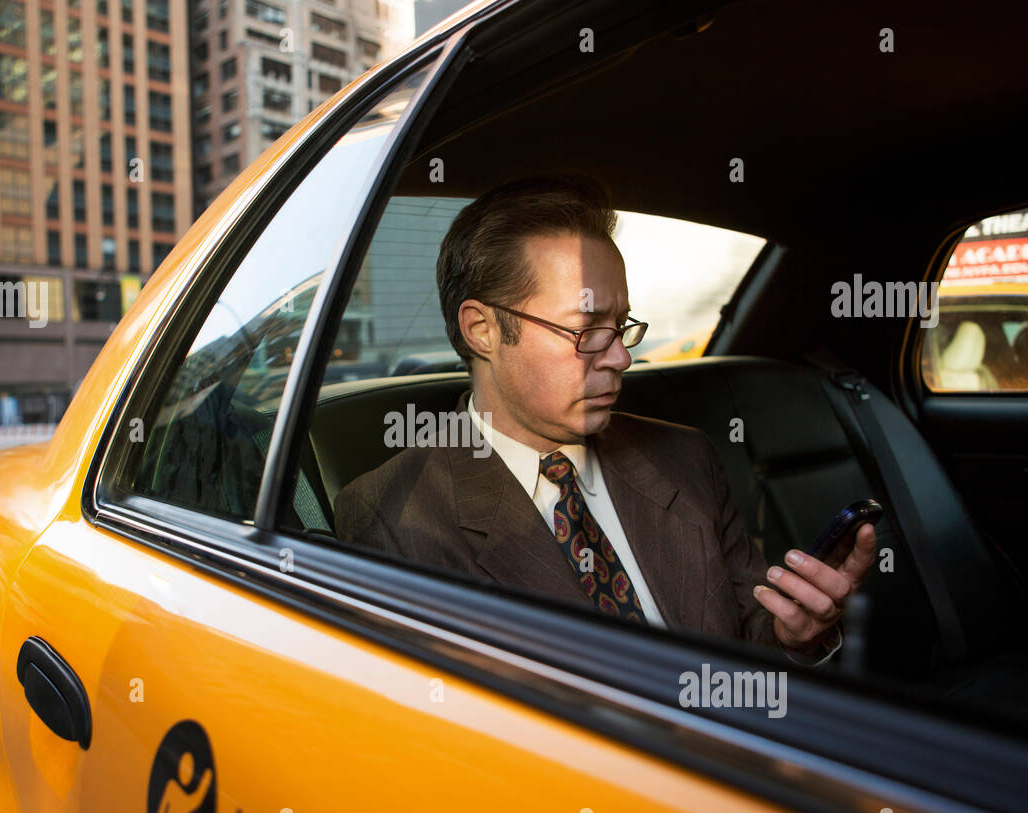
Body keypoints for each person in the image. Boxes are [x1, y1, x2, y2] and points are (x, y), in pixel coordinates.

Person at [334, 175, 876, 664]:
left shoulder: (686, 457)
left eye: (620, 327)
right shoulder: (392, 515)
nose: (620, 357)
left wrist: (793, 636)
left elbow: (744, 642)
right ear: (482, 330)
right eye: (587, 329)